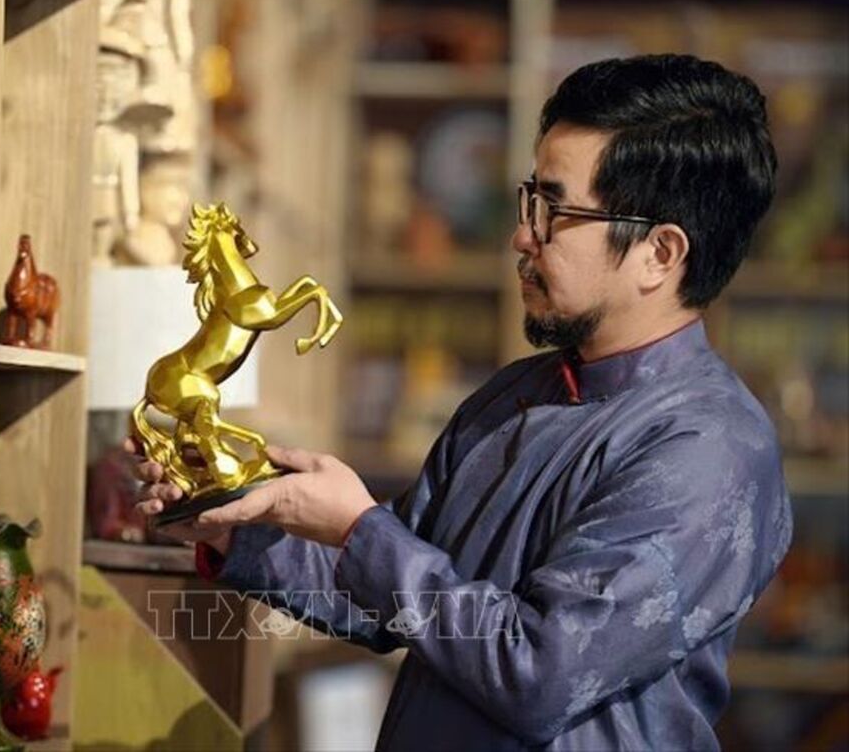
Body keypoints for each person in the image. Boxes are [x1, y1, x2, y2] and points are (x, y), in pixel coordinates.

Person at [127, 54, 791, 751]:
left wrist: (358, 530)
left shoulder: (709, 451)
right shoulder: (513, 397)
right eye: (529, 200)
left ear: (661, 253)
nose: (522, 235)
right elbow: (388, 597)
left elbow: (541, 670)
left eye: (555, 211)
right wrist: (237, 523)